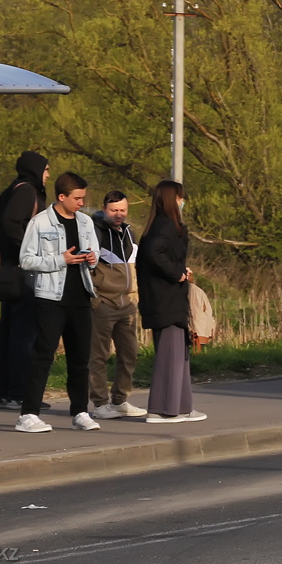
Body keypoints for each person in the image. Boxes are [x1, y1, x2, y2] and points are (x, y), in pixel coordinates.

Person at [15, 171, 101, 433]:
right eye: (77, 198)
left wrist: (91, 258)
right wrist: (59, 260)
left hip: (81, 296)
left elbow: (96, 252)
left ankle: (80, 411)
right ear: (61, 197)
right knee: (43, 355)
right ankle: (28, 414)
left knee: (80, 357)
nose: (81, 203)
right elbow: (26, 260)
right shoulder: (40, 223)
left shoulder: (86, 222)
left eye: (83, 198)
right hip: (51, 298)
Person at [0, 151, 49, 409]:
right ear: (36, 170)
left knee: (8, 330)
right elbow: (9, 222)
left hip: (9, 271)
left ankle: (5, 393)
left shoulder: (13, 188)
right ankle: (19, 394)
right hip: (24, 271)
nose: (48, 174)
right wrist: (25, 253)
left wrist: (1, 249)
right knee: (24, 332)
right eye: (46, 169)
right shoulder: (27, 191)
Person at [136, 181, 204, 424]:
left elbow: (157, 254)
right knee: (170, 356)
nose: (182, 202)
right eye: (180, 198)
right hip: (166, 300)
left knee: (178, 355)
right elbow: (155, 253)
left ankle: (182, 406)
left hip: (166, 299)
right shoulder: (166, 226)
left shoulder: (158, 225)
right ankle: (163, 409)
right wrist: (177, 273)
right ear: (172, 198)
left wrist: (178, 269)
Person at [88, 191, 145, 418]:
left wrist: (136, 296)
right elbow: (86, 268)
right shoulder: (94, 232)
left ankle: (120, 400)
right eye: (114, 210)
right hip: (104, 304)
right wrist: (95, 298)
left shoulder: (129, 233)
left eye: (122, 210)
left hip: (128, 304)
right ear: (104, 208)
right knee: (98, 356)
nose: (119, 214)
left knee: (129, 354)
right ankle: (100, 404)